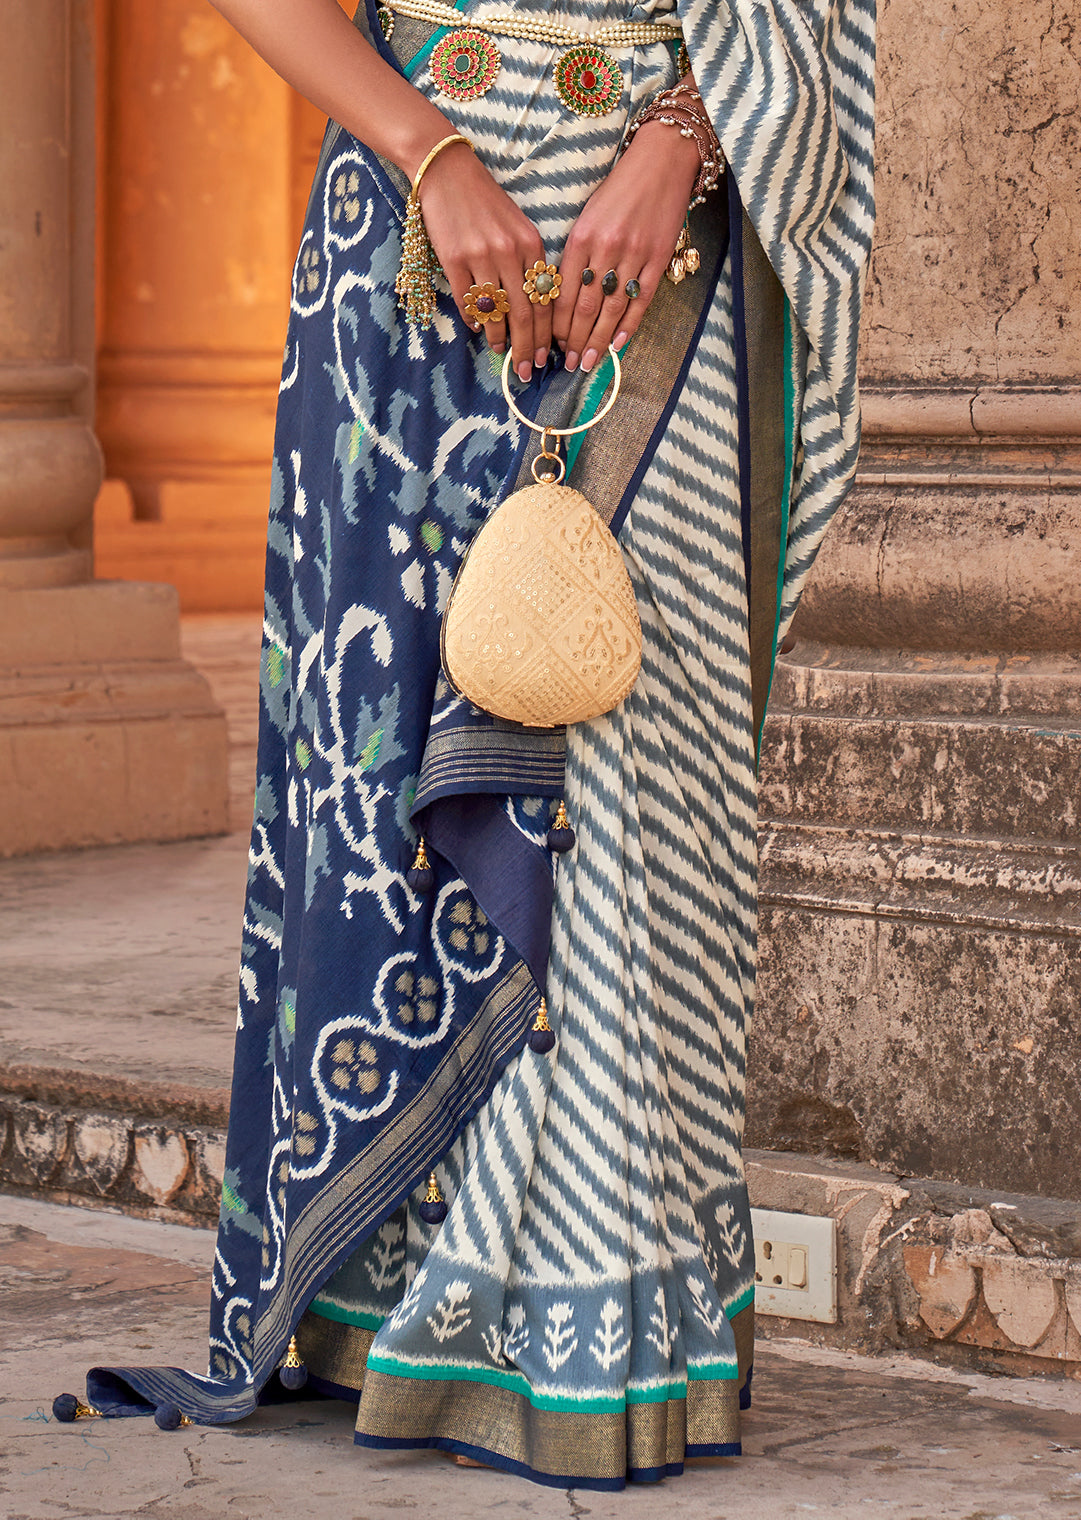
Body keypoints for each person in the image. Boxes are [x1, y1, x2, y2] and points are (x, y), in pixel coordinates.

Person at [68, 0, 875, 1490]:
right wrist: (425, 152)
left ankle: (595, 1323)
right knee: (385, 797)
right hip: (408, 249)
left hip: (668, 250)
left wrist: (679, 141)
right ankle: (393, 1315)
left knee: (631, 770)